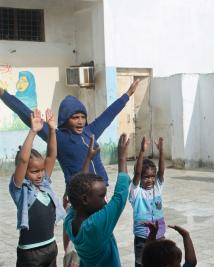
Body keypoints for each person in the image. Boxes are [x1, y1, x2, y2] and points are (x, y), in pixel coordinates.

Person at [0, 79, 139, 251]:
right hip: (79, 197)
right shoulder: (60, 138)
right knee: (77, 241)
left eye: (82, 117)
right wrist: (4, 95)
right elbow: (26, 114)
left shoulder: (91, 131)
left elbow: (109, 114)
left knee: (98, 236)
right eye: (75, 118)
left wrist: (127, 95)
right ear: (65, 120)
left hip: (99, 194)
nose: (80, 121)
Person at [64, 134, 131, 267]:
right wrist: (122, 158)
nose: (105, 201)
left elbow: (79, 186)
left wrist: (88, 158)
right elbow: (119, 197)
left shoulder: (70, 221)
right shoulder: (95, 225)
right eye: (102, 196)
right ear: (85, 199)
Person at [10, 108, 65, 267]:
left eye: (41, 170)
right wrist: (33, 132)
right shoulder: (21, 190)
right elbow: (23, 161)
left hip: (51, 247)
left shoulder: (45, 184)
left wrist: (52, 130)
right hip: (30, 254)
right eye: (34, 171)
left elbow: (51, 155)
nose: (40, 175)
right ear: (24, 173)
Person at [129, 136, 167, 267]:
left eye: (152, 177)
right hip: (142, 236)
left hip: (159, 234)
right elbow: (137, 173)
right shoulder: (136, 192)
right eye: (146, 177)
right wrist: (141, 151)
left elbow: (161, 171)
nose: (150, 180)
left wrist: (161, 152)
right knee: (141, 263)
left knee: (162, 261)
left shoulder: (157, 187)